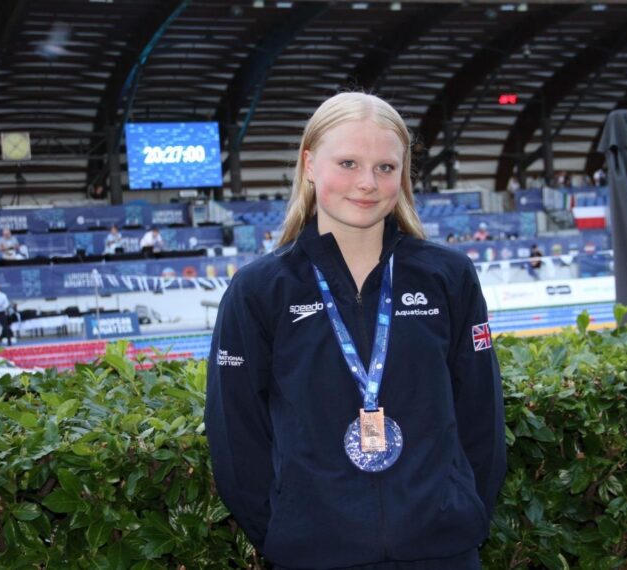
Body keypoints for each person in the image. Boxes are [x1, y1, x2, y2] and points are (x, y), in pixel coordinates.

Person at [205, 92, 506, 570]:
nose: (367, 183)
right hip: (314, 556)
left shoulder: (447, 277)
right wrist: (288, 532)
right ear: (308, 164)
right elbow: (236, 435)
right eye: (348, 162)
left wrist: (460, 511)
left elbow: (480, 415)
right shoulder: (260, 290)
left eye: (386, 168)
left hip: (441, 551)